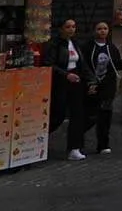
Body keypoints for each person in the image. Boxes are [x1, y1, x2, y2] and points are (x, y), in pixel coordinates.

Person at [81, 21, 122, 154]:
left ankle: (103, 145)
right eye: (99, 28)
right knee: (90, 115)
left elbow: (116, 64)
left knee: (105, 115)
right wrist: (89, 82)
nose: (102, 31)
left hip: (108, 86)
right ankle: (77, 141)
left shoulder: (111, 48)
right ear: (95, 31)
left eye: (105, 28)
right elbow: (84, 65)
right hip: (92, 85)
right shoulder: (88, 47)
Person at [44, 19, 94, 161]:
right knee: (57, 115)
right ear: (61, 29)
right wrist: (66, 75)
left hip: (76, 82)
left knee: (78, 114)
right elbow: (49, 64)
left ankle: (74, 148)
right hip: (61, 82)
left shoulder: (75, 44)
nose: (71, 29)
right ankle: (39, 139)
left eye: (73, 27)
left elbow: (82, 64)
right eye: (68, 27)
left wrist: (91, 80)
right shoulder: (55, 44)